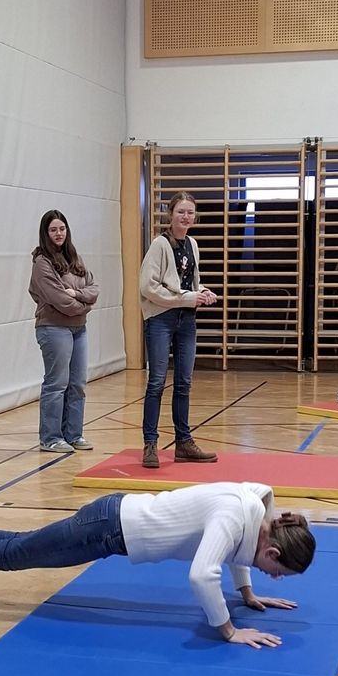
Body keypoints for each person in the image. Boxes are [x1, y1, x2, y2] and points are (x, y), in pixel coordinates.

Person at [0, 481, 316, 649]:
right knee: (11, 555)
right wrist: (230, 630)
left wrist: (247, 593)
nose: (273, 576)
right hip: (105, 528)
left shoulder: (258, 509)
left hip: (111, 523)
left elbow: (236, 548)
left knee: (15, 548)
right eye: (276, 571)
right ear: (274, 551)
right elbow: (202, 574)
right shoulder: (231, 516)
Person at [139, 192, 218, 469]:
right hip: (161, 318)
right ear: (170, 214)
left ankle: (183, 442)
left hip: (186, 320)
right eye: (181, 212)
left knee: (184, 383)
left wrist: (203, 292)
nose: (185, 217)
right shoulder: (160, 245)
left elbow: (190, 282)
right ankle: (150, 443)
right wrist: (186, 298)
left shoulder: (192, 244)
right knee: (157, 382)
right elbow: (148, 287)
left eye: (190, 212)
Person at [29, 210, 99, 452]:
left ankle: (73, 434)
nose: (58, 234)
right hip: (53, 328)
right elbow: (60, 300)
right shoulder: (42, 263)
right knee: (57, 383)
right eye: (53, 230)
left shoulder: (74, 258)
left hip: (78, 329)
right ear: (45, 233)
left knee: (77, 383)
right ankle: (50, 437)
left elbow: (94, 288)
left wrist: (78, 295)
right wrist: (84, 304)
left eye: (62, 229)